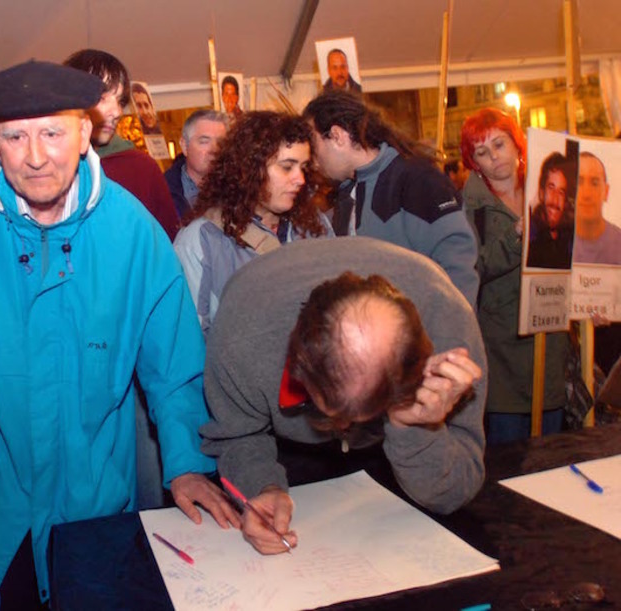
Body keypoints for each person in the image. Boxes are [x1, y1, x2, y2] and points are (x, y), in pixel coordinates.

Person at [0, 61, 238, 608]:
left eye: (51, 132)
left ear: (84, 132)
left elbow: (173, 363)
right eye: (15, 136)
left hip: (97, 493)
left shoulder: (132, 230)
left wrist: (186, 463)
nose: (34, 155)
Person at [200, 237, 486, 554]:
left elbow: (454, 492)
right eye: (332, 414)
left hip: (390, 471)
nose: (344, 427)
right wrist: (262, 486)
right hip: (289, 452)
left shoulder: (447, 324)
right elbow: (238, 435)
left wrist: (414, 427)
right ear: (297, 367)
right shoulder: (241, 338)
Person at [303, 90, 479, 308]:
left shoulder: (417, 179)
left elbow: (457, 267)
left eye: (314, 145)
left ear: (337, 136)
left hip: (423, 336)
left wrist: (449, 336)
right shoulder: (345, 197)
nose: (312, 159)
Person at [460, 108, 569, 442]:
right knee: (512, 458)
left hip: (550, 338)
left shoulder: (550, 189)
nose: (494, 156)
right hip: (503, 348)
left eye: (499, 144)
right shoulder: (472, 208)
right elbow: (471, 268)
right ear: (475, 162)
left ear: (517, 144)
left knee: (554, 452)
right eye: (483, 152)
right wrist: (516, 235)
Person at [174, 111, 332, 336]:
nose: (300, 179)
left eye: (303, 167)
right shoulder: (200, 240)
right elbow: (189, 341)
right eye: (287, 167)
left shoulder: (315, 225)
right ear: (249, 170)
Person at [64, 49, 181, 238]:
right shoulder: (43, 171)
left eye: (120, 101)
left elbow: (167, 245)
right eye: (102, 98)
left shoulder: (141, 168)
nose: (117, 111)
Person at [164, 110, 228, 219]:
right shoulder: (164, 193)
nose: (214, 149)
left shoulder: (240, 190)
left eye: (221, 142)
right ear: (184, 146)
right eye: (204, 142)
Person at [526, 152, 575, 269]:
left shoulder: (569, 240)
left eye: (561, 192)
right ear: (542, 193)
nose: (555, 199)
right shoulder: (529, 234)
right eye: (551, 187)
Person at [574, 152, 621, 264]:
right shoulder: (556, 245)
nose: (586, 194)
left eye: (594, 183)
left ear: (606, 191)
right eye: (579, 182)